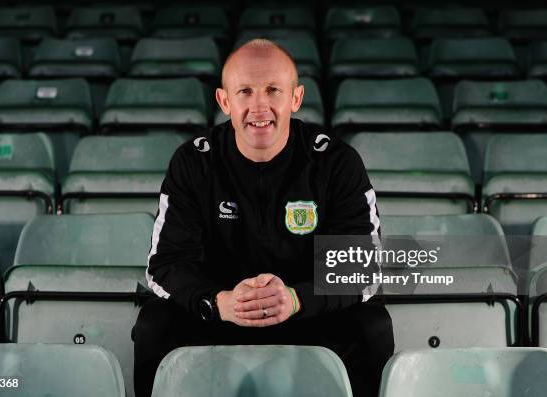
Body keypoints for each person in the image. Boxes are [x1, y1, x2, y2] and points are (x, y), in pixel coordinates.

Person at [133, 39, 394, 397]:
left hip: (307, 312)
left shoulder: (335, 162)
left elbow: (363, 266)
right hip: (222, 312)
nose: (259, 106)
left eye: (273, 90)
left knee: (371, 326)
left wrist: (295, 298)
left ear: (296, 98)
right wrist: (218, 302)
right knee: (154, 324)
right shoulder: (194, 162)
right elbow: (165, 265)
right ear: (225, 100)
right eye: (245, 91)